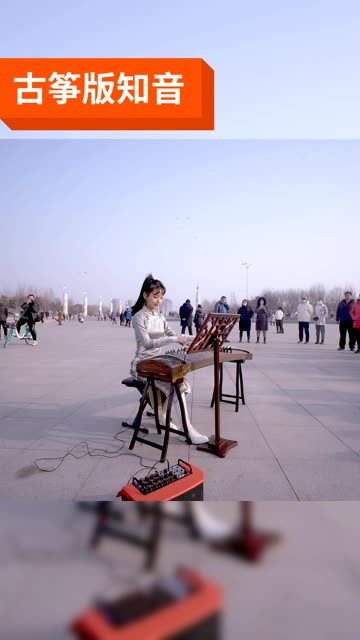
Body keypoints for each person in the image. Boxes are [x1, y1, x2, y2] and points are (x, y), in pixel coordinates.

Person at [130, 274, 208, 445]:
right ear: (145, 295)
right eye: (155, 296)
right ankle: (188, 430)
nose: (159, 300)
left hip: (156, 361)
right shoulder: (138, 317)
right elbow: (148, 343)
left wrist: (197, 339)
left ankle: (163, 415)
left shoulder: (160, 317)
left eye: (161, 297)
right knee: (177, 385)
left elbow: (175, 335)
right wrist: (174, 340)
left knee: (179, 382)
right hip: (143, 363)